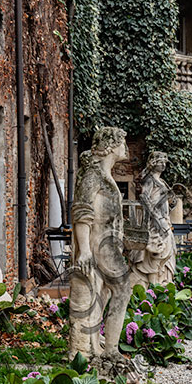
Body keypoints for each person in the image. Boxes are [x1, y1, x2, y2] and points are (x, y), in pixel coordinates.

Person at [69, 126, 131, 362]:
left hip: (110, 243)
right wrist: (84, 250)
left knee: (104, 292)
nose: (125, 148)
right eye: (122, 143)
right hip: (99, 244)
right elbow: (82, 211)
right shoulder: (92, 175)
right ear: (112, 146)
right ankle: (111, 351)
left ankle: (96, 344)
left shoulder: (105, 176)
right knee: (122, 288)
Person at [129, 150, 176, 288]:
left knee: (166, 250)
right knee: (156, 251)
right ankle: (153, 285)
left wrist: (171, 204)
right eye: (160, 161)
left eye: (164, 161)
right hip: (154, 221)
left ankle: (162, 281)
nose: (163, 164)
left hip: (164, 220)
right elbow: (144, 199)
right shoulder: (150, 180)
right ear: (153, 163)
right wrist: (158, 219)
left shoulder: (161, 181)